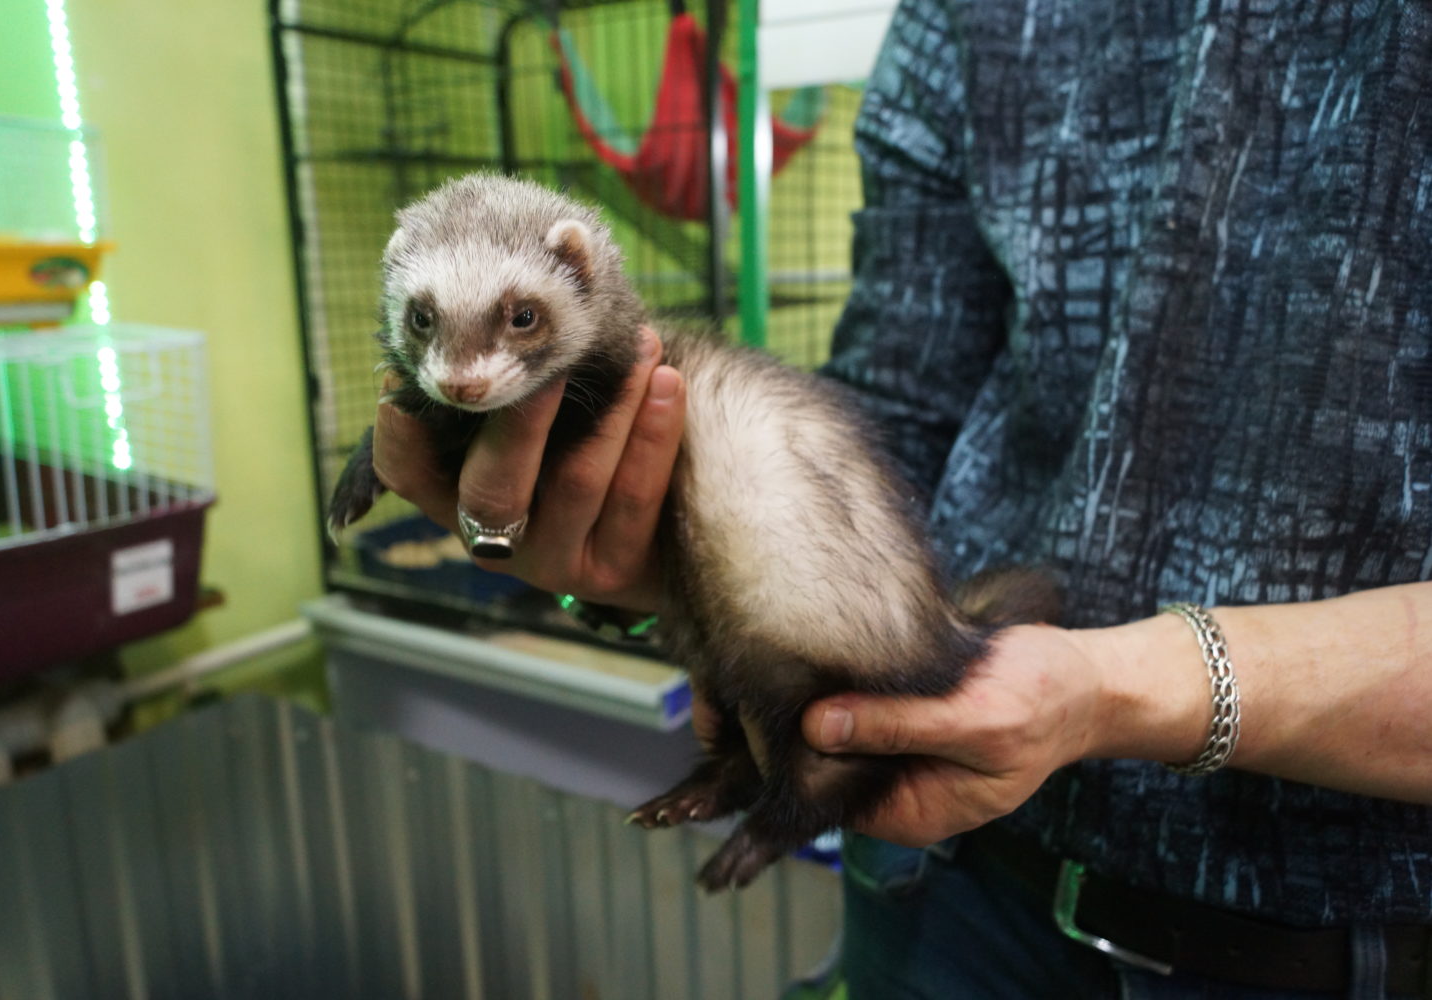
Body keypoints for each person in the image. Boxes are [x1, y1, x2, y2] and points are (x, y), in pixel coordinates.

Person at [370, 0, 1432, 995]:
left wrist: (1117, 687)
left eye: (509, 324)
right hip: (940, 883)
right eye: (427, 329)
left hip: (1343, 946)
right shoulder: (960, 17)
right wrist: (643, 564)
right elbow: (898, 408)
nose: (462, 370)